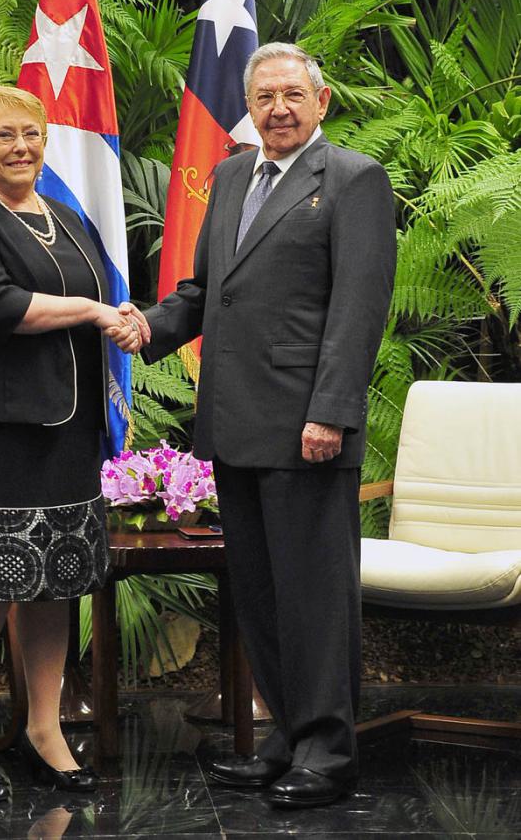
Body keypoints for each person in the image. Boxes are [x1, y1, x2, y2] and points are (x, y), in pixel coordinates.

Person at [139, 44, 396, 808]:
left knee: (314, 595)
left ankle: (329, 750)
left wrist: (330, 412)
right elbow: (202, 290)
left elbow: (357, 311)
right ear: (248, 106)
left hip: (305, 425)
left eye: (292, 93)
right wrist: (143, 327)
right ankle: (287, 736)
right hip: (235, 419)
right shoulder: (229, 176)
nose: (277, 107)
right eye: (264, 95)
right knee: (261, 594)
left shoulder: (352, 180)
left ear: (322, 102)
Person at [0, 85, 148, 802]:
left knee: (56, 583)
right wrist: (89, 308)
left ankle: (45, 730)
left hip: (67, 433)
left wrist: (115, 313)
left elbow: (101, 289)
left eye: (31, 133)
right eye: (3, 136)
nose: (20, 146)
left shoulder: (65, 215)